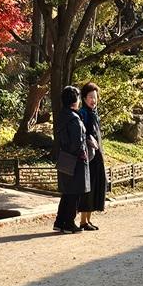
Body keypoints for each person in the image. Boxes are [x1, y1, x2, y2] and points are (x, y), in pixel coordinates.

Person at [53, 85, 90, 234]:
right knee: (74, 193)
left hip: (64, 158)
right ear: (75, 100)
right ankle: (69, 223)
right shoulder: (74, 119)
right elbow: (77, 142)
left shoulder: (62, 116)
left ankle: (59, 222)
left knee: (67, 193)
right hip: (76, 160)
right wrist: (83, 152)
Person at [77, 82, 106, 231]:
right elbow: (82, 134)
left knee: (95, 187)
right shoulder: (83, 113)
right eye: (90, 97)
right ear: (84, 98)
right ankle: (83, 221)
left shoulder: (94, 113)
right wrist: (89, 139)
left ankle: (88, 220)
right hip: (89, 157)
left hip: (97, 155)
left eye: (95, 97)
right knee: (88, 188)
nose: (93, 100)